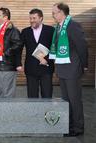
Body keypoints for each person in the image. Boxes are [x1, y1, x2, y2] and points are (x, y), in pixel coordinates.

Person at [50, 2, 88, 136]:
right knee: (66, 100)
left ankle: (78, 128)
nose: (53, 15)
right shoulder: (58, 27)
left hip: (72, 69)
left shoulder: (73, 25)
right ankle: (69, 126)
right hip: (62, 69)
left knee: (74, 100)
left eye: (54, 12)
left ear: (61, 12)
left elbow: (82, 46)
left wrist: (84, 65)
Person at [21, 8, 54, 98]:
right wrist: (18, 64)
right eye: (30, 18)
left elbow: (54, 48)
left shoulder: (51, 30)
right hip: (31, 68)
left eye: (34, 18)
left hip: (46, 68)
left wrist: (46, 60)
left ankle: (46, 112)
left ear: (41, 18)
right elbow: (19, 48)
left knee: (47, 95)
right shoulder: (25, 31)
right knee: (32, 97)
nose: (32, 20)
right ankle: (33, 112)